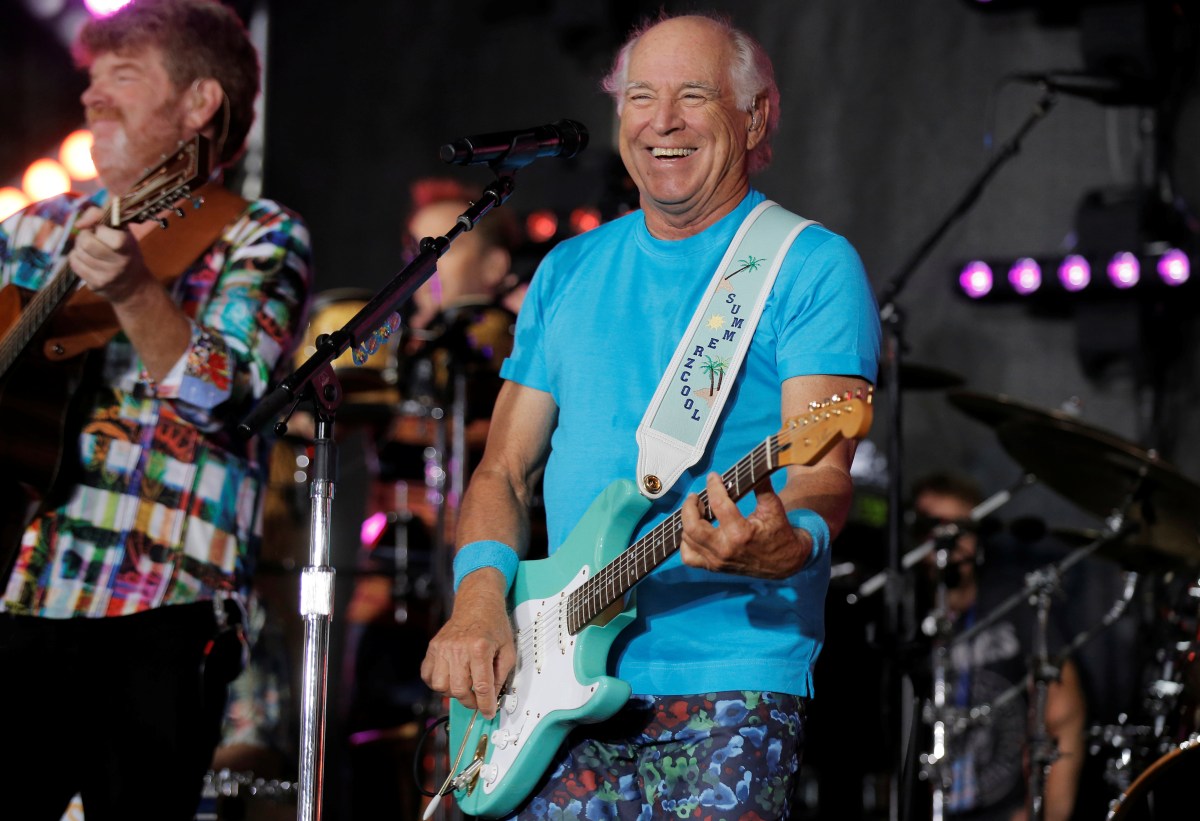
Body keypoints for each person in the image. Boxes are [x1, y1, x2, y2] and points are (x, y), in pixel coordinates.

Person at [419, 11, 880, 819]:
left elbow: (819, 474)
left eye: (693, 95)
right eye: (640, 96)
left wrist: (783, 543)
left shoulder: (809, 265)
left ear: (755, 115)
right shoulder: (566, 269)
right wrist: (479, 600)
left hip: (727, 679)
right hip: (553, 682)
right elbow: (502, 468)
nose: (661, 121)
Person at [0, 1, 313, 819]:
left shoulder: (257, 234)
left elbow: (227, 397)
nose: (93, 97)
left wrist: (137, 289)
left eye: (123, 77)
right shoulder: (29, 231)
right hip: (21, 586)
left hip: (164, 603)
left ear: (199, 104)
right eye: (94, 78)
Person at [907, 472, 1087, 821]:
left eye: (960, 529)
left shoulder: (1015, 603)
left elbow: (1065, 718)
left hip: (1007, 811)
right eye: (934, 528)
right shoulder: (903, 614)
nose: (948, 543)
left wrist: (1046, 813)